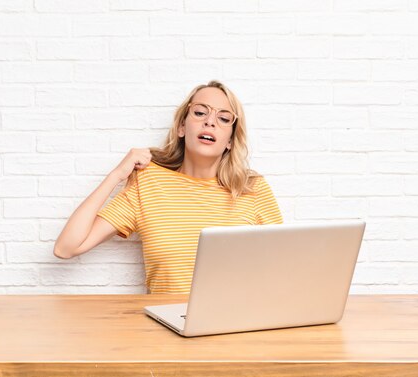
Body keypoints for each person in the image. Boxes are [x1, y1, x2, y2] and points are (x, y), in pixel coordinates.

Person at [53, 80, 283, 294]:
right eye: (200, 112)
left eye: (224, 118)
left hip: (235, 328)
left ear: (231, 140)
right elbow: (66, 248)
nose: (210, 121)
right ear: (182, 127)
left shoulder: (252, 189)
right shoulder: (148, 182)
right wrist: (116, 175)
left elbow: (284, 269)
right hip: (167, 331)